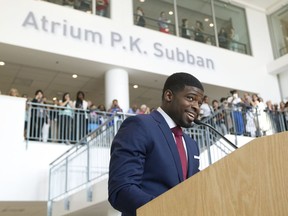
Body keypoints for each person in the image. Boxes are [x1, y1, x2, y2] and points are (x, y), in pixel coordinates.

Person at [108, 72, 204, 216]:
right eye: (190, 98)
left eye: (200, 103)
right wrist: (167, 211)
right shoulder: (140, 125)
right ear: (169, 96)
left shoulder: (191, 145)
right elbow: (122, 189)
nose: (196, 107)